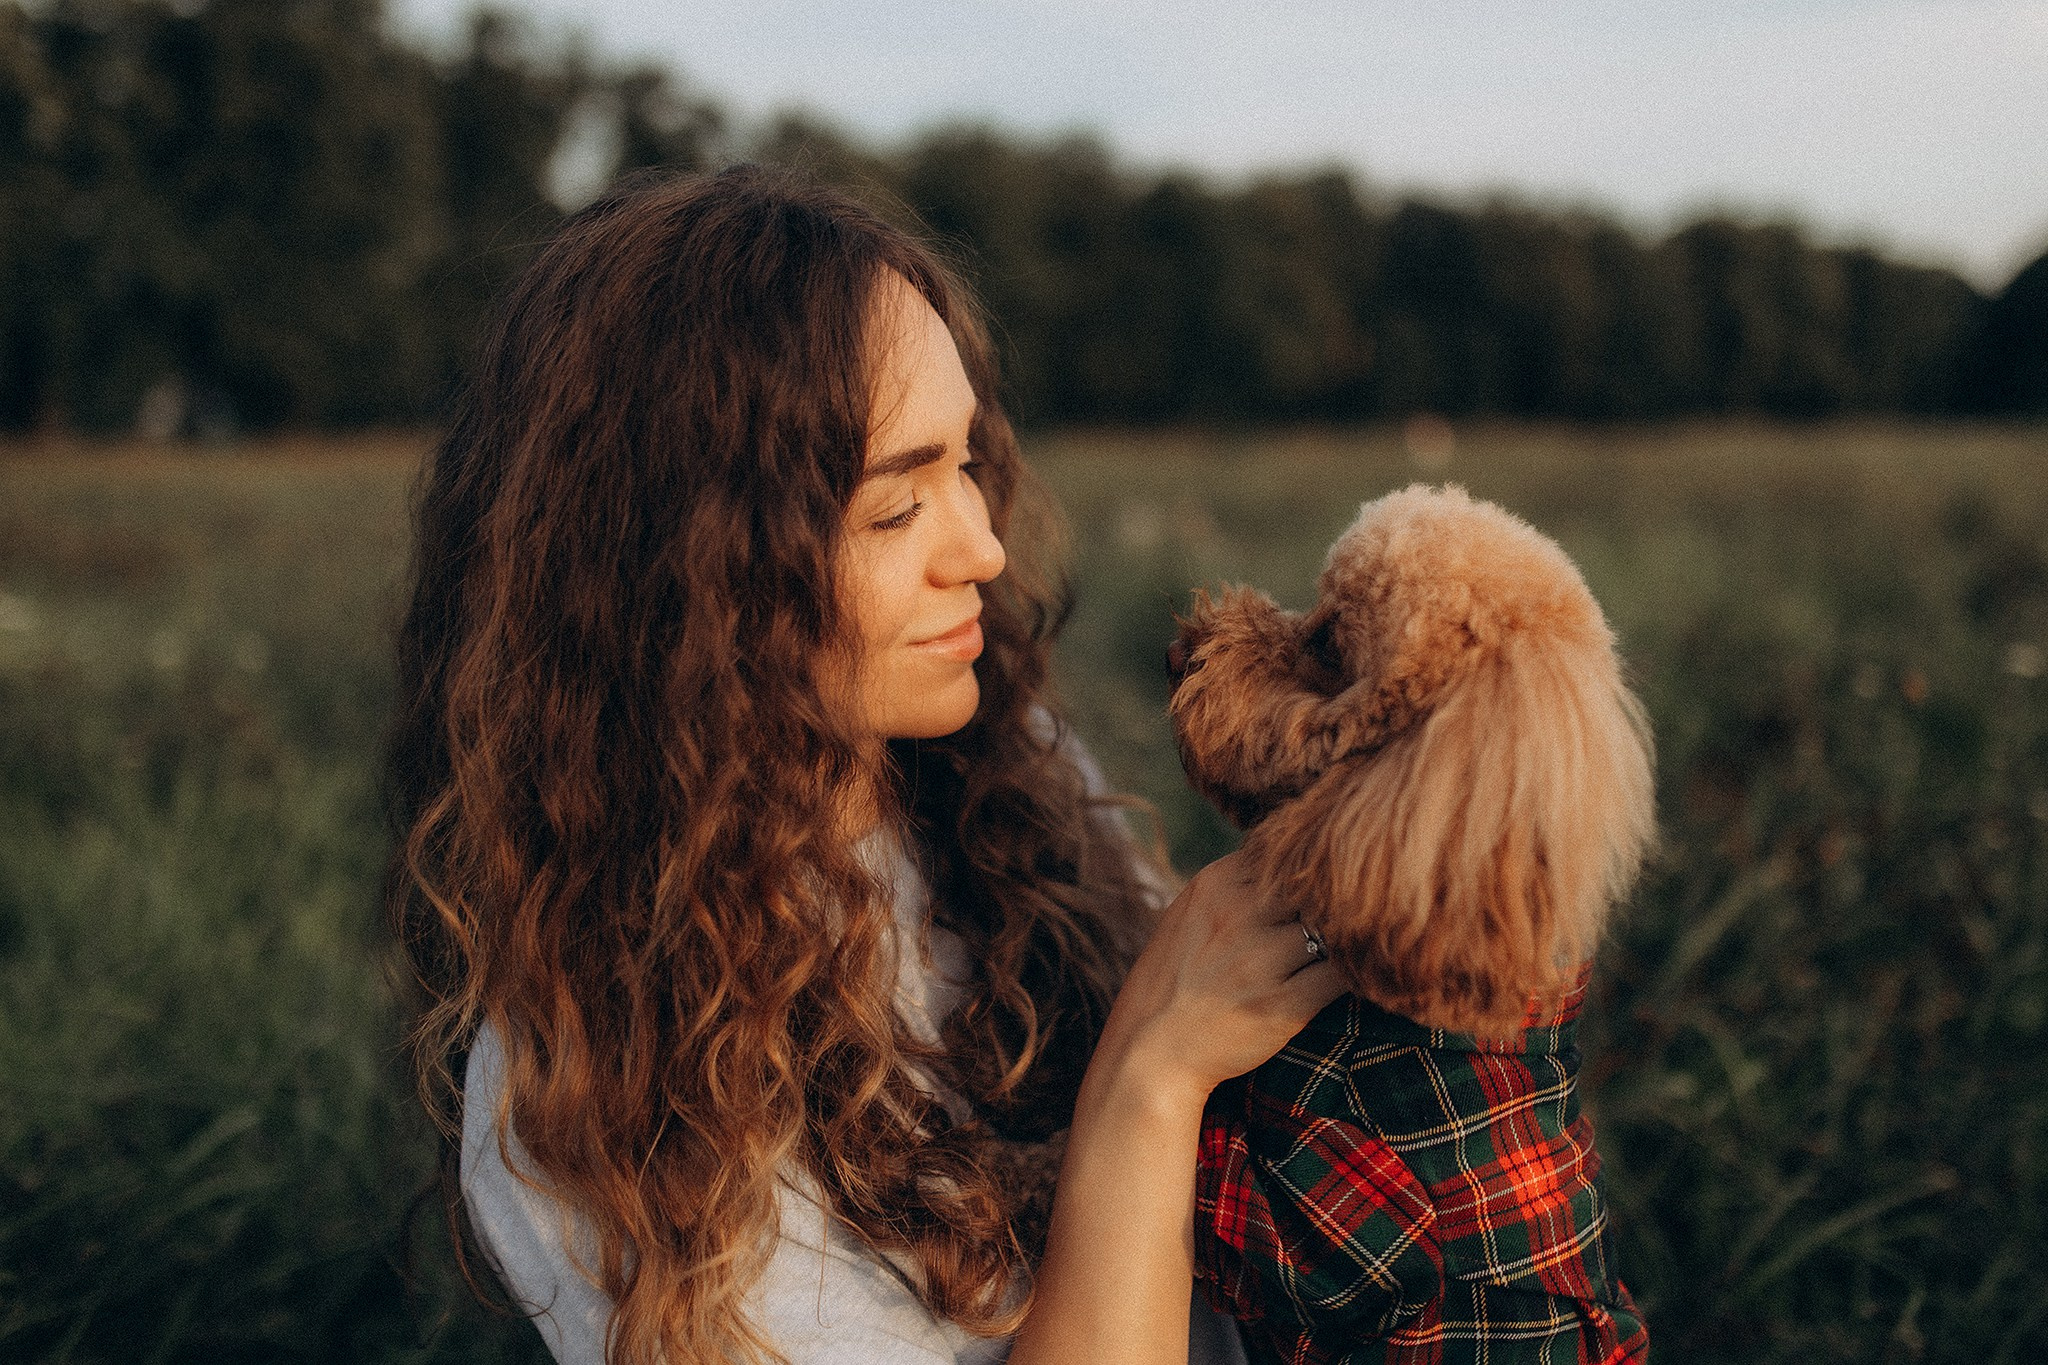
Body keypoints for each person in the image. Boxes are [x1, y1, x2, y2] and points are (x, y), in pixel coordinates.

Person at [385, 165, 1344, 1365]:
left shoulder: (1008, 773)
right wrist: (1152, 1076)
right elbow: (1175, 1067)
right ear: (696, 570)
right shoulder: (592, 1079)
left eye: (967, 465)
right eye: (894, 510)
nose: (984, 549)